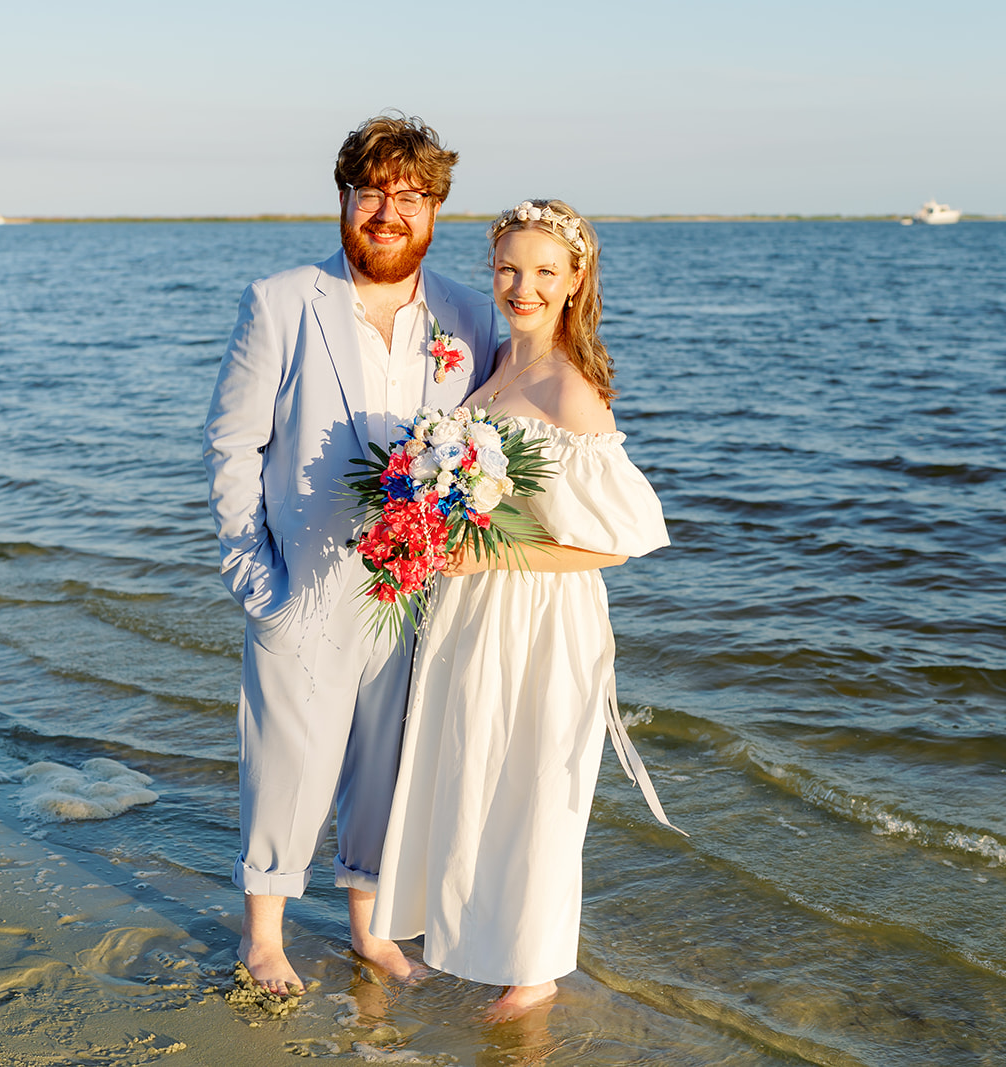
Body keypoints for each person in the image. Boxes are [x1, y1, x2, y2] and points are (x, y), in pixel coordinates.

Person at [203, 114, 499, 995]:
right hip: (306, 582)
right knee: (288, 762)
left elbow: (490, 441)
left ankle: (367, 928)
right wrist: (260, 583)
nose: (387, 211)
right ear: (343, 199)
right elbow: (231, 448)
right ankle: (265, 935)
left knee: (389, 764)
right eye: (371, 192)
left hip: (416, 597)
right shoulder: (282, 301)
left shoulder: (467, 316)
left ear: (435, 209)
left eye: (409, 196)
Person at [369, 199, 681, 1019]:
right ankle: (473, 936)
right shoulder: (492, 363)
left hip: (542, 620)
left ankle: (535, 972)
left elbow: (624, 540)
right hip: (471, 613)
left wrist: (492, 552)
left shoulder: (573, 391)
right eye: (510, 267)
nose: (523, 285)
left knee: (538, 784)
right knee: (473, 770)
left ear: (576, 281)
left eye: (545, 270)